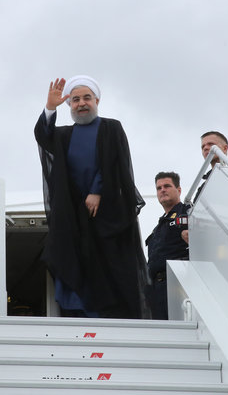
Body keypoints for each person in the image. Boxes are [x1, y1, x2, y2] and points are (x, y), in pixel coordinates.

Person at [34, 75, 149, 319]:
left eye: (87, 98)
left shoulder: (111, 128)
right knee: (71, 258)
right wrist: (50, 107)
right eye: (75, 100)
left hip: (107, 212)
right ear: (70, 105)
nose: (81, 103)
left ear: (97, 101)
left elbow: (115, 163)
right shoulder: (64, 135)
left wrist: (97, 191)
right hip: (75, 214)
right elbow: (43, 136)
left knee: (111, 265)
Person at [184, 131, 228, 243]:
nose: (205, 148)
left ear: (225, 148)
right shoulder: (202, 187)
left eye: (210, 144)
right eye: (203, 146)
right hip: (211, 238)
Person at [146, 172, 190, 320]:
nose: (162, 190)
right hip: (156, 289)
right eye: (159, 188)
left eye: (167, 186)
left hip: (178, 285)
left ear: (179, 190)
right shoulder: (158, 227)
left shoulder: (188, 213)